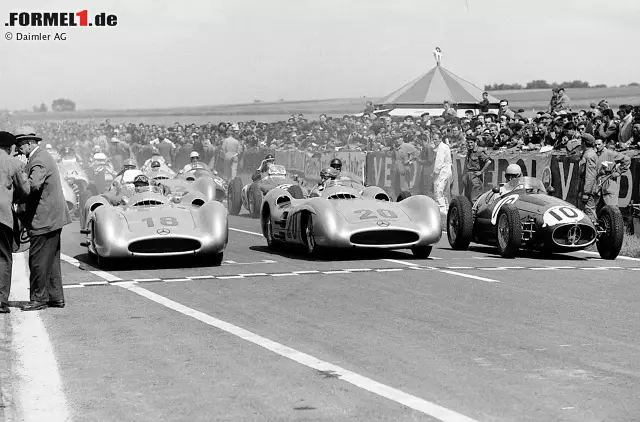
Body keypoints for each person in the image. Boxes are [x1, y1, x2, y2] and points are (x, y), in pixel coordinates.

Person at [14, 127, 72, 311]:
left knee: (38, 259)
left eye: (20, 146)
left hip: (44, 218)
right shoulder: (44, 156)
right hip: (54, 216)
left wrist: (16, 191)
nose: (19, 150)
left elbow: (32, 186)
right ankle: (55, 297)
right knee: (51, 259)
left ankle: (38, 298)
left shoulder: (38, 160)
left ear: (29, 143)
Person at [0, 132, 30, 314]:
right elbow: (25, 190)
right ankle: (1, 300)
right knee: (3, 257)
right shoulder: (13, 163)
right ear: (10, 147)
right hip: (2, 217)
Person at [583, 138, 631, 223]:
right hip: (597, 182)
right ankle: (595, 228)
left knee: (613, 209)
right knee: (591, 208)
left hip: (609, 181)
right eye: (596, 144)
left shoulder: (611, 153)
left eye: (599, 144)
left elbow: (627, 160)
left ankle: (615, 230)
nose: (597, 146)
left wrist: (618, 172)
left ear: (604, 144)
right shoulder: (593, 154)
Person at [462, 136, 491, 202]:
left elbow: (488, 161)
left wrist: (481, 172)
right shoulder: (469, 151)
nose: (469, 144)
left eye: (471, 142)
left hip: (475, 175)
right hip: (468, 174)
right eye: (468, 143)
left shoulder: (479, 151)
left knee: (475, 197)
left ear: (475, 142)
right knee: (467, 197)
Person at [432, 132, 452, 213]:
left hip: (442, 171)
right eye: (433, 139)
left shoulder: (442, 147)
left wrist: (435, 172)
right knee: (445, 191)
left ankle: (441, 210)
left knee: (438, 190)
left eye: (436, 139)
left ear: (440, 139)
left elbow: (439, 161)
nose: (434, 141)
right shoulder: (444, 146)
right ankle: (446, 208)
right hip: (447, 170)